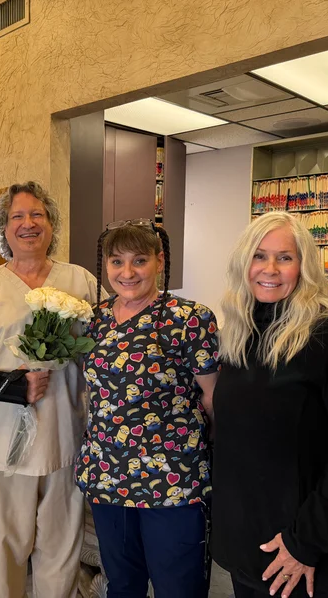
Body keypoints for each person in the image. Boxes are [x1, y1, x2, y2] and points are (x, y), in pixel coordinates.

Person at [0, 181, 98, 598]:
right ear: (3, 231)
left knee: (62, 552)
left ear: (51, 224)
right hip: (5, 447)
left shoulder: (79, 281)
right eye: (17, 217)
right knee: (6, 552)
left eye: (37, 215)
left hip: (66, 442)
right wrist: (7, 386)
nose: (28, 224)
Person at [211, 212, 328, 598]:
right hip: (249, 546)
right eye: (259, 256)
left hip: (304, 552)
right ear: (244, 264)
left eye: (284, 257)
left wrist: (304, 542)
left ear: (304, 266)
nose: (269, 269)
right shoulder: (239, 335)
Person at [75, 220, 219, 598]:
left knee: (178, 586)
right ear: (105, 265)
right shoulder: (95, 320)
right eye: (117, 261)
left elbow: (212, 398)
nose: (127, 272)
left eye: (139, 260)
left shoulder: (188, 319)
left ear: (159, 260)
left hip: (173, 480)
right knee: (122, 585)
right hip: (108, 475)